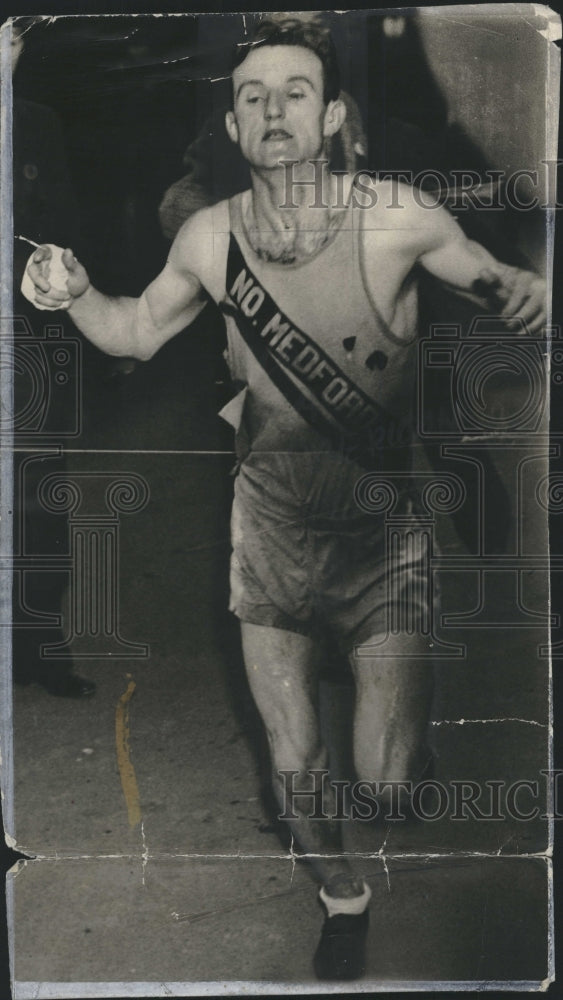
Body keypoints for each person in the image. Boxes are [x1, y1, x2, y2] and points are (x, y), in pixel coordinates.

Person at [25, 15, 546, 978]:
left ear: (333, 114)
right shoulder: (207, 235)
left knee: (385, 787)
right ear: (230, 126)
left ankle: (401, 770)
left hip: (384, 530)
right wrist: (74, 295)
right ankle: (338, 895)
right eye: (253, 96)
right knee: (295, 756)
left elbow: (494, 280)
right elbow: (135, 333)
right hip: (267, 526)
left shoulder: (396, 217)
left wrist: (519, 286)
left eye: (294, 91)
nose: (272, 110)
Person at [12, 21, 95, 698]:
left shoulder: (38, 123)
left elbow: (63, 227)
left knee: (40, 501)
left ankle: (37, 650)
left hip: (29, 349)